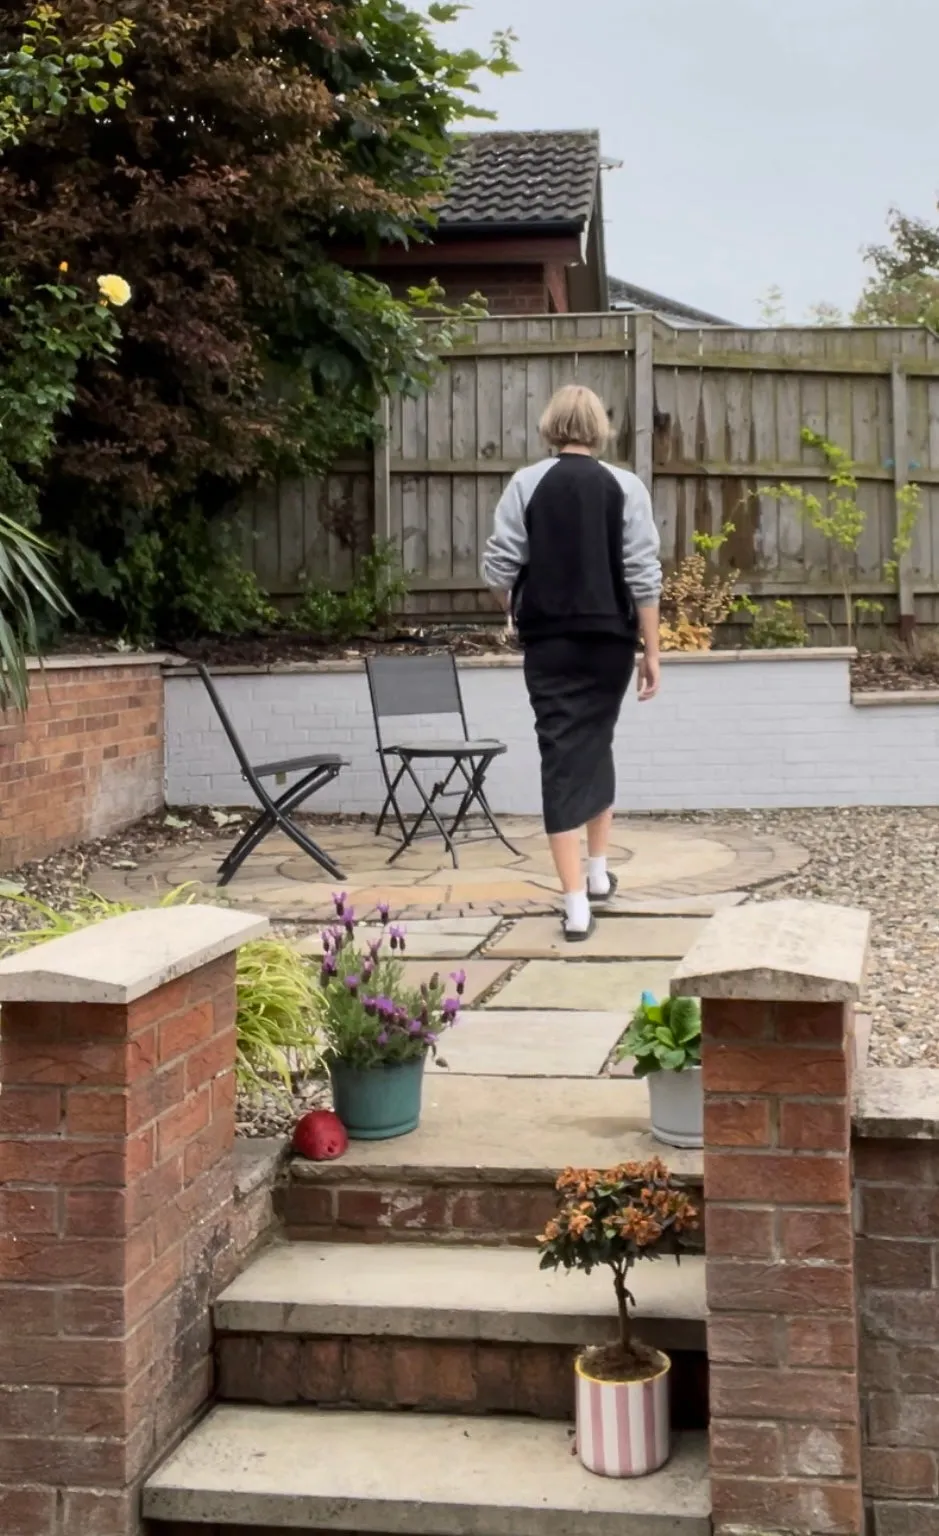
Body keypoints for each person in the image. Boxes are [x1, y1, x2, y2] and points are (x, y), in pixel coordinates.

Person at [481, 383, 662, 940]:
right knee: (596, 742)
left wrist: (516, 609)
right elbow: (643, 573)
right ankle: (598, 872)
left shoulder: (525, 483)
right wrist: (652, 650)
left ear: (551, 425)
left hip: (550, 644)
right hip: (611, 643)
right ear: (599, 429)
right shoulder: (626, 485)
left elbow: (499, 567)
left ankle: (577, 903)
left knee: (561, 757)